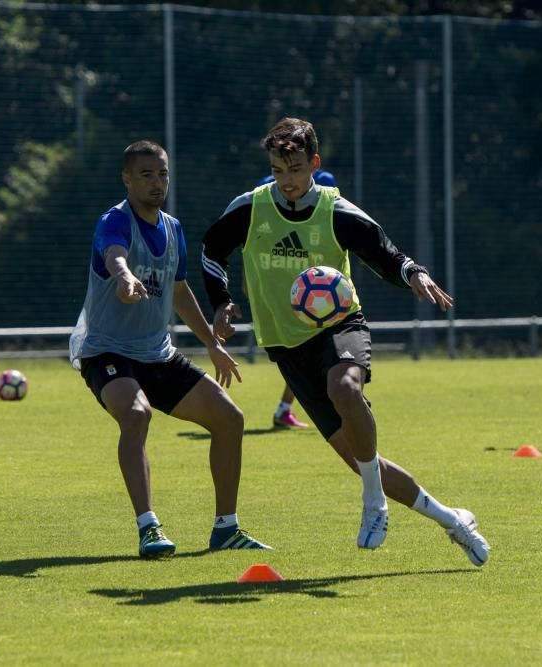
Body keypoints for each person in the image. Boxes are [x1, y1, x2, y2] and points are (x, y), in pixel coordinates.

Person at [201, 117, 490, 566]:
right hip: (286, 346)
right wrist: (221, 302)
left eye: (295, 168)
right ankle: (453, 520)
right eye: (278, 170)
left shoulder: (336, 210)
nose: (288, 180)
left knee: (345, 388)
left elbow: (384, 252)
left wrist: (414, 273)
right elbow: (211, 250)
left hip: (339, 325)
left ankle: (374, 502)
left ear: (314, 163)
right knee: (360, 459)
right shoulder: (250, 208)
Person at [69, 140, 271, 559]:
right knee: (136, 413)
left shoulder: (173, 227)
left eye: (162, 174)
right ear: (127, 178)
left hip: (157, 354)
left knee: (230, 419)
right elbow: (114, 257)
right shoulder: (115, 220)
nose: (156, 182)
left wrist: (212, 345)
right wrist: (124, 279)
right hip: (106, 351)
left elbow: (179, 293)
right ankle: (148, 527)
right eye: (146, 175)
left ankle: (226, 529)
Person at [257, 168, 338, 430]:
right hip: (293, 291)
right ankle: (301, 408)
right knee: (306, 355)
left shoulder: (270, 187)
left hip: (304, 288)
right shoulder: (321, 185)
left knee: (305, 355)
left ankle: (285, 409)